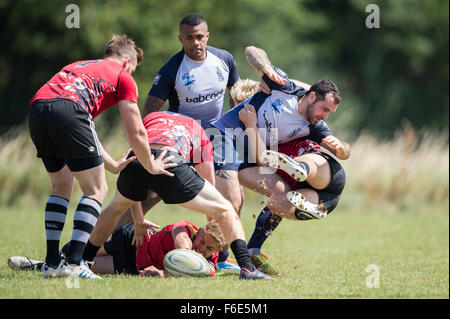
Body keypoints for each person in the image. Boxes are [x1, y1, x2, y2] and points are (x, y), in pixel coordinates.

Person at [27, 34, 175, 279]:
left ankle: (52, 263)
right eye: (134, 69)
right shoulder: (123, 76)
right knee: (96, 190)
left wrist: (113, 164)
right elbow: (136, 131)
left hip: (38, 109)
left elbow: (84, 126)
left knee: (61, 187)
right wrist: (151, 164)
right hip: (69, 111)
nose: (132, 75)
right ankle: (74, 263)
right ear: (127, 62)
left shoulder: (78, 67)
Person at [80, 111, 273, 280]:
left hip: (138, 161)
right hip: (170, 161)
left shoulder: (152, 118)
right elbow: (209, 183)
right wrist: (213, 218)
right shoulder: (198, 130)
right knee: (226, 209)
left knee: (114, 208)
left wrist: (139, 218)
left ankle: (77, 261)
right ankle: (247, 269)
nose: (202, 248)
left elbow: (136, 146)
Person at [118, 13, 242, 270]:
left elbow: (236, 95)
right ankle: (105, 239)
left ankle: (220, 256)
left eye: (199, 37)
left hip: (216, 132)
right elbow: (150, 107)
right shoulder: (171, 69)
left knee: (232, 196)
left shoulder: (225, 60)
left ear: (207, 36)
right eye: (189, 38)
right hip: (180, 134)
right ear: (180, 39)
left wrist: (235, 128)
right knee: (149, 192)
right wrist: (147, 144)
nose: (195, 43)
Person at [211, 46, 350, 274]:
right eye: (324, 109)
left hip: (265, 162)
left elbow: (341, 148)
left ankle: (250, 249)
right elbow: (251, 51)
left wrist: (342, 149)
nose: (324, 116)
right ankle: (233, 256)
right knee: (246, 200)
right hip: (233, 145)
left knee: (281, 192)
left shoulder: (310, 120)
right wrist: (264, 68)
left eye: (329, 113)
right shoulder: (274, 94)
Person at [8, 220, 227, 277]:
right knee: (77, 253)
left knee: (83, 268)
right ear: (198, 232)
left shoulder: (209, 264)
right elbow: (183, 250)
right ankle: (51, 259)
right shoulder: (186, 229)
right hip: (131, 239)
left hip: (132, 264)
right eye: (202, 241)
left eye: (209, 249)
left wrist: (161, 272)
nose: (202, 249)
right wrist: (166, 272)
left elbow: (198, 269)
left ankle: (35, 266)